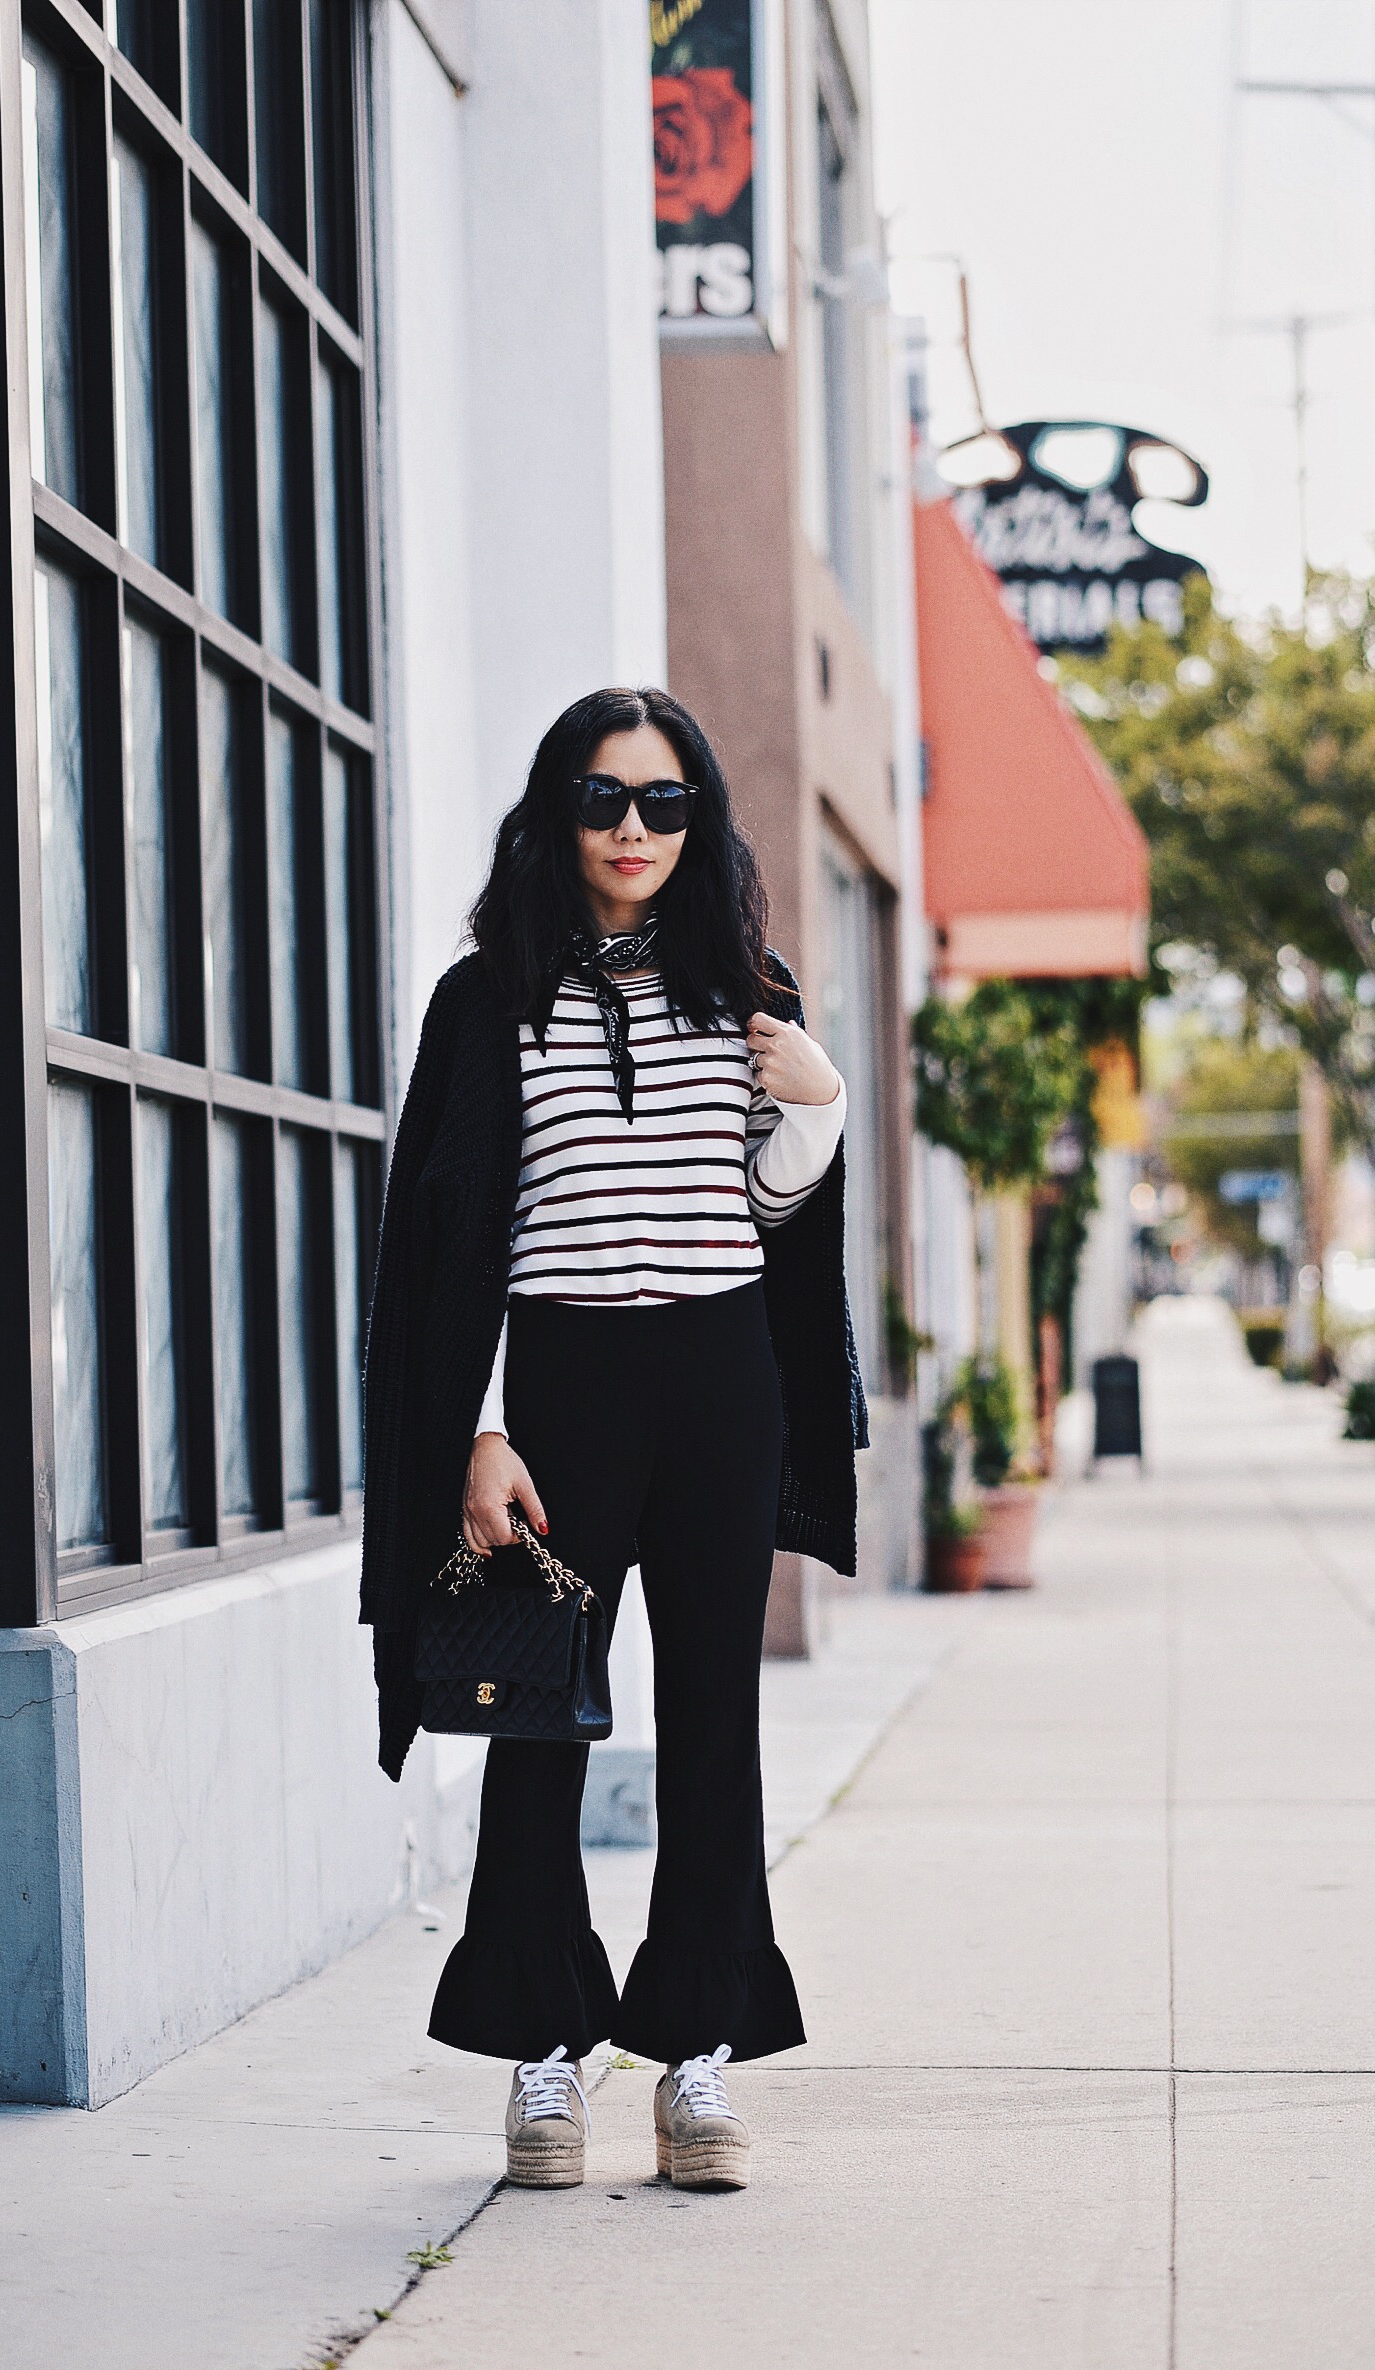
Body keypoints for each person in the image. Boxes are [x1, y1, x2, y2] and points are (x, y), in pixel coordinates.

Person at [360, 686, 866, 2193]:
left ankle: (696, 2057)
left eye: (663, 802)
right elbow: (446, 1246)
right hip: (560, 1386)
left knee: (716, 1722)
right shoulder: (487, 996)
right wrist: (474, 1428)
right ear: (554, 815)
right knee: (534, 1725)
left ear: (699, 819)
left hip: (716, 1378)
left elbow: (770, 1219)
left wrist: (820, 1104)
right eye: (601, 799)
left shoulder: (743, 984)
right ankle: (541, 2055)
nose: (633, 829)